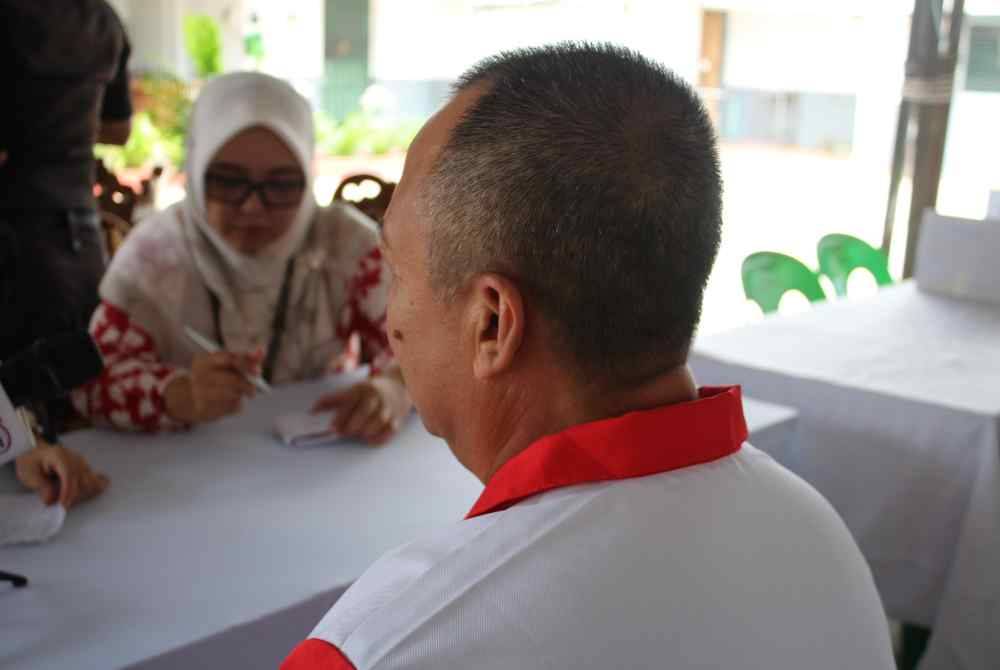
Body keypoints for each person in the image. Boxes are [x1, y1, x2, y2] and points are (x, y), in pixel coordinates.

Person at [282, 44, 894, 669]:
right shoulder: (816, 536)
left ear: (492, 322)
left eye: (397, 267)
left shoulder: (388, 647)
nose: (392, 318)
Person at [73, 73, 410, 440]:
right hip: (192, 474)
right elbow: (87, 385)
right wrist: (176, 394)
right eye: (228, 181)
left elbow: (421, 344)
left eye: (281, 184)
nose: (253, 206)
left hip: (324, 465)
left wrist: (394, 388)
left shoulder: (344, 245)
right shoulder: (153, 258)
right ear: (196, 172)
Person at [0, 1, 132, 435]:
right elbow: (119, 129)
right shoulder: (104, 19)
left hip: (14, 232)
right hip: (80, 229)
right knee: (79, 393)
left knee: (18, 405)